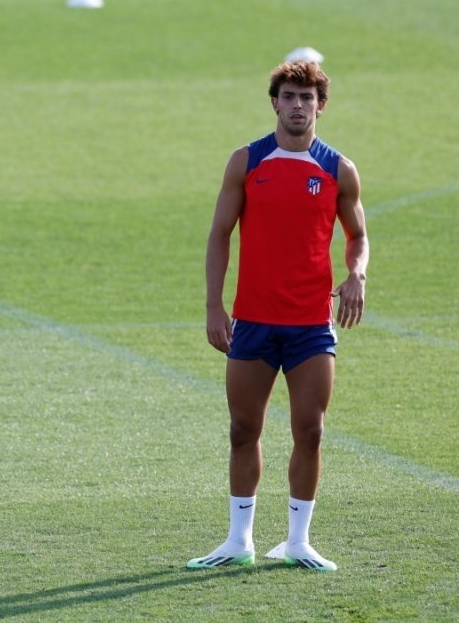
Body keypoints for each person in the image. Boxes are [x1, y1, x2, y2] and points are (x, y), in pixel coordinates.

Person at [189, 60, 368, 572]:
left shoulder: (338, 169)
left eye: (306, 98)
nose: (296, 106)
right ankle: (238, 541)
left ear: (321, 106)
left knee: (310, 430)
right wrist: (213, 306)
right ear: (274, 102)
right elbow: (219, 234)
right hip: (253, 322)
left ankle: (297, 541)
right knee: (243, 429)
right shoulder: (247, 162)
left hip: (311, 324)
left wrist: (357, 274)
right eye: (288, 96)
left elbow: (358, 235)